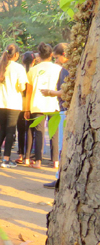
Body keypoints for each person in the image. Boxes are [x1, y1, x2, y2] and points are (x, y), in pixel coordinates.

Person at [0, 44, 27, 168]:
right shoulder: (18, 68)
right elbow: (22, 87)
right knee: (10, 130)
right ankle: (6, 159)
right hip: (13, 103)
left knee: (3, 129)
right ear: (16, 55)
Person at [25, 42, 61, 169]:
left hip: (37, 104)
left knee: (39, 132)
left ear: (39, 55)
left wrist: (26, 108)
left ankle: (38, 161)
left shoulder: (33, 70)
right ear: (51, 55)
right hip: (54, 104)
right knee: (54, 132)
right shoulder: (58, 68)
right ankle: (55, 161)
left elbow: (29, 91)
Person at [42, 43, 69, 188]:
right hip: (63, 109)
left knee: (62, 146)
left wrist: (51, 93)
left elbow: (67, 91)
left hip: (65, 110)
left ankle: (59, 178)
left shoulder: (67, 69)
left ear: (65, 54)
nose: (56, 61)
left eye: (57, 58)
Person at [17, 51, 36, 165]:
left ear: (22, 60)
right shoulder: (35, 72)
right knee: (30, 130)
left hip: (20, 104)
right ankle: (29, 155)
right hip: (32, 104)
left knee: (20, 130)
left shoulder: (20, 70)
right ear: (34, 60)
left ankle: (20, 154)